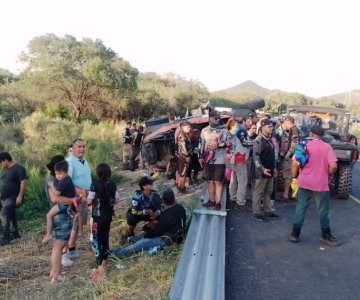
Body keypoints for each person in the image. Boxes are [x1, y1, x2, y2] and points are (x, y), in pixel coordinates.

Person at [290, 125, 340, 246]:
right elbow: (333, 166)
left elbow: (295, 163)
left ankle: (295, 234)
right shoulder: (327, 147)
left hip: (304, 182)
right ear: (322, 135)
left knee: (300, 209)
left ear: (311, 134)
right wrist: (328, 173)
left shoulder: (303, 145)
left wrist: (293, 177)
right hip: (320, 184)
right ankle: (326, 235)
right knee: (323, 211)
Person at [112, 188, 186, 257]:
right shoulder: (180, 208)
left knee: (137, 245)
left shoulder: (166, 215)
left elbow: (156, 232)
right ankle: (134, 239)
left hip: (166, 240)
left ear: (163, 201)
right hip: (176, 236)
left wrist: (146, 233)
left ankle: (113, 253)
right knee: (143, 240)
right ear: (174, 199)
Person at [88, 163, 117, 282]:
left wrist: (86, 199)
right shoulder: (113, 184)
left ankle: (100, 267)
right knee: (105, 237)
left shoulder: (94, 184)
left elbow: (90, 201)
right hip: (108, 215)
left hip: (97, 216)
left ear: (98, 172)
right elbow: (117, 199)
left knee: (96, 240)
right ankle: (105, 261)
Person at [64, 138, 92, 261]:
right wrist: (80, 191)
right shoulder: (69, 163)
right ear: (73, 148)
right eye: (79, 147)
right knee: (73, 224)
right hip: (76, 198)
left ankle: (72, 248)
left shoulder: (84, 161)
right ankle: (66, 252)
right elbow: (67, 182)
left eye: (83, 146)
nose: (82, 149)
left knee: (79, 223)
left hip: (86, 197)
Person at [42, 160, 80, 244]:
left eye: (60, 174)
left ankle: (48, 234)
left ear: (66, 172)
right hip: (68, 204)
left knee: (49, 215)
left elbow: (56, 194)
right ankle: (49, 234)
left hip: (64, 205)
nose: (58, 176)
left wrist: (51, 186)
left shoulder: (64, 181)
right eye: (56, 174)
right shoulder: (68, 178)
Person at [251, 119, 279, 222]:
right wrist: (262, 169)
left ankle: (268, 210)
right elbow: (255, 157)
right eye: (269, 127)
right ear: (262, 127)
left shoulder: (269, 139)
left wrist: (274, 167)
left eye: (272, 127)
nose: (271, 129)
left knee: (268, 191)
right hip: (261, 172)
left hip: (270, 170)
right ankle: (256, 213)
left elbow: (272, 156)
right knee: (258, 192)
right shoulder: (258, 140)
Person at [201, 109, 228, 211]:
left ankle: (218, 203)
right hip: (208, 160)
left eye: (219, 118)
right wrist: (200, 156)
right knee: (210, 181)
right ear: (209, 118)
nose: (217, 120)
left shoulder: (224, 130)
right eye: (215, 118)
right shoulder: (204, 130)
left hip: (220, 160)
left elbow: (229, 143)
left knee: (218, 182)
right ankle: (211, 200)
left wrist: (219, 145)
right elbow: (202, 145)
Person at [227, 113, 254, 210]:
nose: (251, 123)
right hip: (240, 158)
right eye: (249, 121)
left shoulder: (239, 130)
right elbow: (245, 142)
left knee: (234, 180)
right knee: (242, 181)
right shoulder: (241, 131)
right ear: (243, 121)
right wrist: (257, 142)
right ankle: (240, 203)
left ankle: (233, 198)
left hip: (236, 158)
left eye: (251, 121)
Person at [0, 152, 27, 246]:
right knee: (10, 215)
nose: (1, 165)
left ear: (6, 160)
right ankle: (15, 233)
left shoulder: (19, 168)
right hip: (4, 197)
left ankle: (6, 238)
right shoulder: (5, 169)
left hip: (13, 197)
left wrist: (19, 197)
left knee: (3, 214)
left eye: (1, 162)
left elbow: (23, 182)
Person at [279, 116, 301, 201]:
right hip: (294, 155)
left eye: (284, 122)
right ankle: (291, 194)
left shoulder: (294, 130)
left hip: (292, 156)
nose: (284, 124)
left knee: (287, 175)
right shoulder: (294, 130)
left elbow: (294, 144)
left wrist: (288, 155)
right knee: (290, 175)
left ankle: (286, 195)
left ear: (288, 121)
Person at [176, 121, 192, 192]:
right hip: (184, 157)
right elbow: (182, 148)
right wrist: (187, 156)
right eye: (188, 127)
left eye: (190, 127)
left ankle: (180, 186)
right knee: (183, 173)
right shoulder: (182, 135)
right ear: (182, 127)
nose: (189, 128)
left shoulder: (183, 134)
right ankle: (182, 189)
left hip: (181, 156)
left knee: (181, 172)